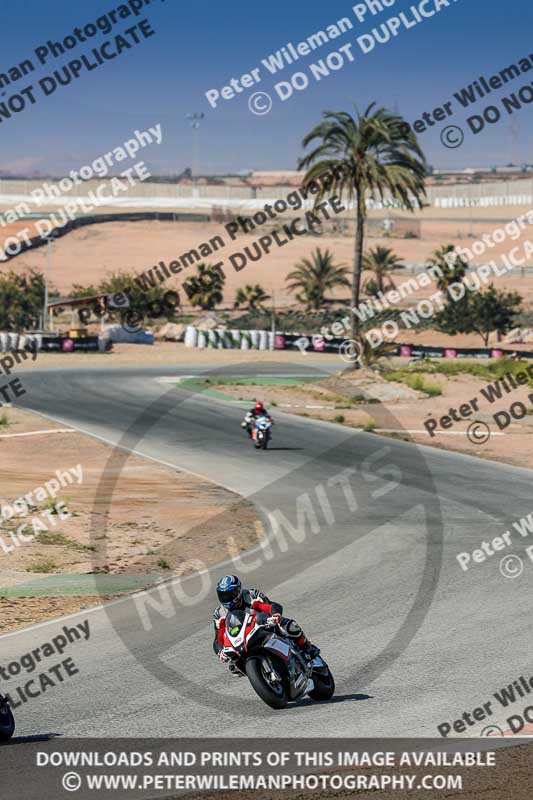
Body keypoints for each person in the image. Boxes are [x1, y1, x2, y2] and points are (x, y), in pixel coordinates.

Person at [213, 575, 319, 674]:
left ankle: (307, 648)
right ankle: (261, 674)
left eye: (229, 594)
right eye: (222, 595)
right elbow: (218, 638)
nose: (226, 598)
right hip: (241, 640)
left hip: (264, 627)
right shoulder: (219, 613)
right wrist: (220, 652)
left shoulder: (251, 595)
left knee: (290, 626)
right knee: (233, 666)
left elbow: (270, 606)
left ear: (238, 591)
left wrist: (275, 615)